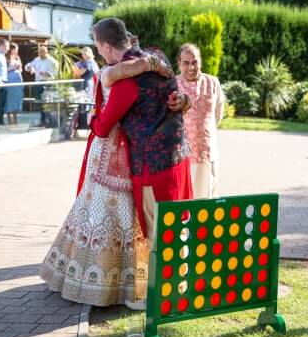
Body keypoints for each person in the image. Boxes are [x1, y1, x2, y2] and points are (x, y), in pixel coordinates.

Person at [38, 43, 173, 308]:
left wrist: (96, 123)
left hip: (114, 150)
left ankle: (97, 282)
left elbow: (108, 115)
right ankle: (106, 282)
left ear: (104, 45)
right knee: (107, 212)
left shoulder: (118, 72)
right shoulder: (130, 68)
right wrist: (157, 65)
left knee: (102, 212)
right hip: (119, 151)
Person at [89, 17, 192, 248]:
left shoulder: (126, 81)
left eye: (98, 47)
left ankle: (163, 283)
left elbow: (103, 127)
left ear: (106, 46)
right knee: (181, 226)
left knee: (159, 234)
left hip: (152, 168)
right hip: (179, 156)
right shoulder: (158, 55)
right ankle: (182, 279)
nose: (99, 53)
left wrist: (92, 119)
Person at [176, 42, 226, 197]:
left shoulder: (213, 82)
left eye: (195, 62)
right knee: (185, 200)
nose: (191, 67)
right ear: (179, 64)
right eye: (186, 63)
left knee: (207, 199)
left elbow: (218, 114)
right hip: (182, 154)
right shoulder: (172, 84)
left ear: (200, 62)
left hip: (207, 152)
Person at [26, 42, 56, 127]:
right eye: (39, 52)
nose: (40, 54)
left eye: (41, 52)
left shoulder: (52, 61)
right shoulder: (37, 59)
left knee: (47, 103)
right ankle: (43, 121)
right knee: (40, 103)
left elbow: (55, 72)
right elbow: (28, 65)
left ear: (46, 52)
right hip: (39, 83)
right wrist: (29, 67)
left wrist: (48, 73)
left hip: (48, 84)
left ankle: (50, 121)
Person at [5, 44, 25, 124]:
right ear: (11, 49)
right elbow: (4, 70)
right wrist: (13, 67)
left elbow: (21, 69)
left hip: (17, 80)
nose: (16, 51)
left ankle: (15, 117)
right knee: (10, 99)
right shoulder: (6, 58)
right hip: (10, 80)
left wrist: (19, 67)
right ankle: (9, 118)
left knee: (17, 98)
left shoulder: (17, 57)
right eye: (15, 49)